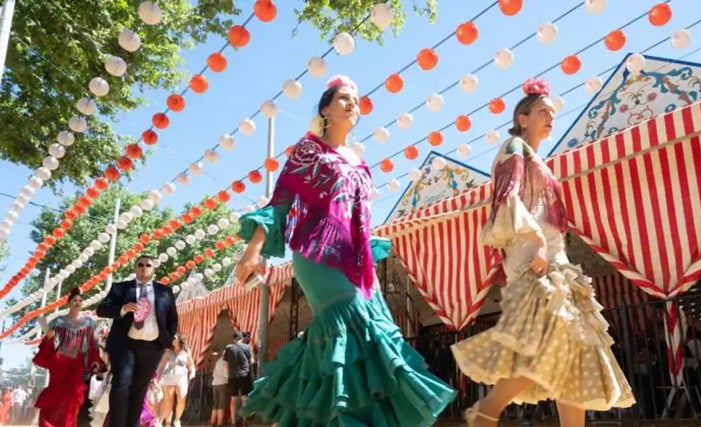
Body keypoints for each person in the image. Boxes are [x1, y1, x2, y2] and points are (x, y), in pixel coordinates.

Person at [233, 74, 456, 426]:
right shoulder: (309, 150)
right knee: (348, 331)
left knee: (370, 341)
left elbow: (360, 223)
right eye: (343, 98)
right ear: (325, 108)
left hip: (355, 260)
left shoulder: (360, 163)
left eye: (356, 99)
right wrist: (253, 250)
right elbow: (280, 202)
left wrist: (372, 277)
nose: (353, 103)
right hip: (318, 255)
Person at [450, 78, 635, 427]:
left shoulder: (540, 159)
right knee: (551, 343)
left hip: (555, 258)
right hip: (533, 255)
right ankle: (486, 411)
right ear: (523, 118)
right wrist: (534, 238)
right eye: (542, 111)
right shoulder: (513, 148)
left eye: (553, 112)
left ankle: (488, 413)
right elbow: (508, 197)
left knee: (576, 350)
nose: (551, 116)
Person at [96, 255, 178, 427]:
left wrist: (166, 342)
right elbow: (101, 309)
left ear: (153, 269)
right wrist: (123, 308)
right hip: (124, 345)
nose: (144, 267)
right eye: (140, 265)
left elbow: (172, 319)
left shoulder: (165, 292)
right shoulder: (120, 289)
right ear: (134, 268)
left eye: (148, 265)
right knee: (122, 384)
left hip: (152, 347)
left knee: (139, 390)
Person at [32, 287, 102, 427]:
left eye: (80, 300)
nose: (77, 302)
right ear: (68, 303)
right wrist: (49, 337)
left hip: (77, 364)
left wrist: (95, 360)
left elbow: (92, 345)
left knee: (73, 394)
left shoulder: (88, 322)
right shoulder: (58, 321)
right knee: (55, 396)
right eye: (74, 300)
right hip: (59, 364)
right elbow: (49, 342)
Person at [157, 334, 195, 427]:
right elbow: (161, 366)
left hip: (182, 378)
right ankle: (168, 423)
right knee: (169, 401)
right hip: (169, 378)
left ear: (180, 339)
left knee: (182, 398)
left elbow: (191, 365)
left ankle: (177, 420)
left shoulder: (186, 352)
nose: (172, 340)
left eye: (174, 338)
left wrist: (193, 372)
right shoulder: (168, 352)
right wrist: (157, 377)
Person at [224, 332, 253, 427]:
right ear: (241, 338)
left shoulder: (229, 348)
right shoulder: (247, 347)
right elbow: (252, 361)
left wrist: (231, 372)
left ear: (234, 339)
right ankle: (245, 420)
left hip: (232, 376)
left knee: (233, 399)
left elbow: (225, 365)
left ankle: (233, 421)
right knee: (244, 398)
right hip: (244, 375)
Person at [210, 352, 229, 427]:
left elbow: (214, 374)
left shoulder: (218, 361)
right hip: (223, 383)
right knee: (221, 404)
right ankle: (219, 423)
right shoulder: (226, 361)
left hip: (215, 383)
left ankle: (213, 422)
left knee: (216, 404)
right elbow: (226, 374)